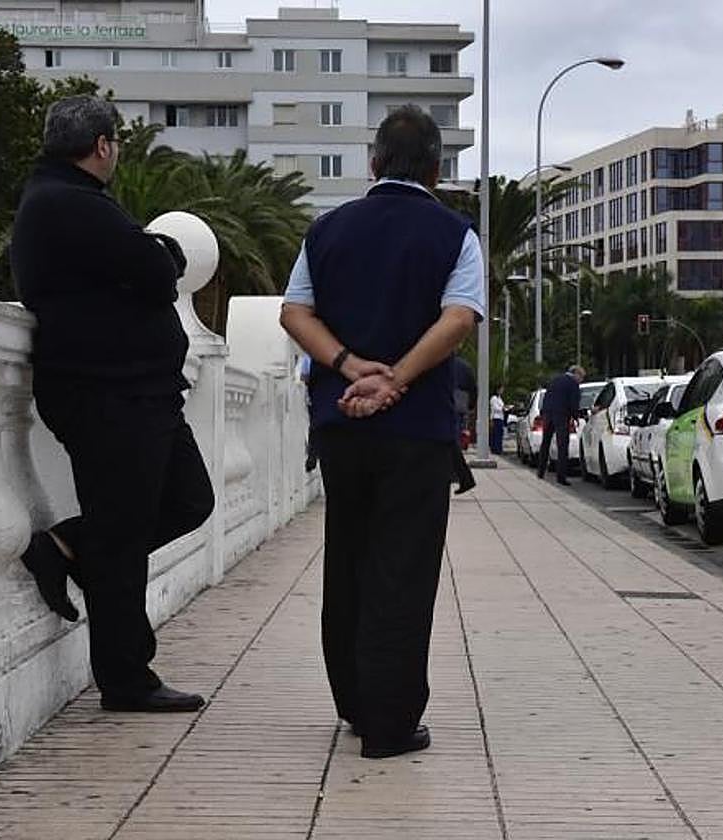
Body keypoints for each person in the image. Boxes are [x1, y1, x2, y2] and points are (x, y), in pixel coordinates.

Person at [279, 105, 484, 760]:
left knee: (349, 558)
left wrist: (345, 365)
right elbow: (458, 319)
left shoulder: (327, 230)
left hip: (340, 423)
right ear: (436, 167)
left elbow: (293, 311)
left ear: (372, 163)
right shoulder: (455, 234)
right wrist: (396, 378)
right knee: (403, 568)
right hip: (416, 430)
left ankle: (354, 704)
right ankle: (390, 723)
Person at [11, 95, 214, 714]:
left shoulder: (69, 199)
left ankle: (69, 547)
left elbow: (147, 264)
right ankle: (127, 677)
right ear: (102, 146)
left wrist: (155, 257)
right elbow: (157, 271)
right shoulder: (66, 202)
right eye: (116, 143)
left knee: (188, 500)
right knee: (124, 535)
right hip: (107, 394)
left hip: (135, 391)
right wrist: (161, 256)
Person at [536, 365, 586, 486]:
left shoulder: (555, 380)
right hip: (562, 415)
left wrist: (544, 413)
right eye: (582, 377)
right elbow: (574, 402)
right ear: (576, 374)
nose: (581, 380)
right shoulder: (573, 384)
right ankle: (561, 476)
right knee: (562, 445)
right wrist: (576, 416)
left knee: (545, 443)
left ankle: (541, 471)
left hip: (548, 414)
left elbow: (547, 396)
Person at [490, 387, 506, 454]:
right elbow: (495, 408)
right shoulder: (494, 398)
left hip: (501, 417)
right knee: (496, 434)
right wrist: (503, 408)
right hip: (496, 418)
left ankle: (499, 448)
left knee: (499, 434)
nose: (502, 391)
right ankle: (496, 449)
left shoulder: (499, 398)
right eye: (501, 389)